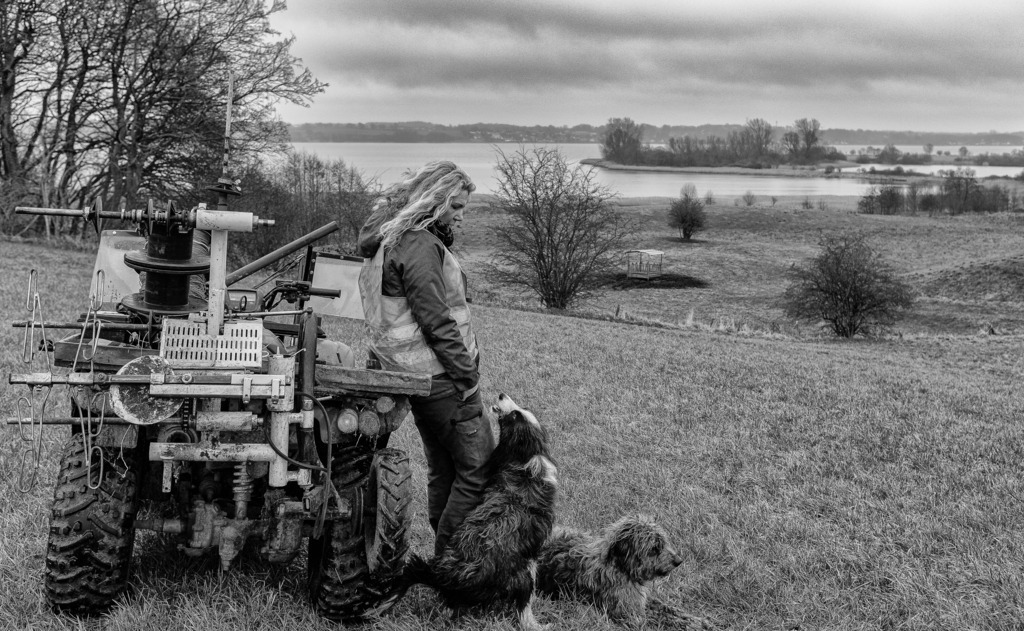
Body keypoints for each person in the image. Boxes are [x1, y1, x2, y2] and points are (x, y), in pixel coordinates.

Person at [357, 160, 494, 555]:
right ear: (434, 201)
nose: (461, 216)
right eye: (456, 206)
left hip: (414, 375)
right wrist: (467, 378)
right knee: (479, 470)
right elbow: (436, 321)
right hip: (440, 377)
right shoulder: (418, 245)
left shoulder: (394, 237)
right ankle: (453, 561)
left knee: (444, 468)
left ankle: (444, 556)